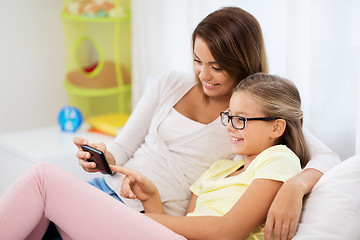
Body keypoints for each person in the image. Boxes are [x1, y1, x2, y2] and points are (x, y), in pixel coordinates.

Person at [71, 6, 339, 239]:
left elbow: (327, 157)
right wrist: (103, 156)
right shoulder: (171, 83)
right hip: (110, 188)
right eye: (198, 61)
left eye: (217, 67)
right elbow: (123, 147)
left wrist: (294, 186)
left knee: (44, 187)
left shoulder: (254, 113)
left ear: (242, 63)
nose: (203, 74)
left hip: (149, 214)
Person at [1, 73, 310, 239]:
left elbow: (226, 231)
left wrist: (149, 220)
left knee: (44, 180)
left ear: (277, 127)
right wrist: (151, 199)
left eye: (241, 120)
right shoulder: (219, 168)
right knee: (42, 214)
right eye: (229, 117)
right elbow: (187, 222)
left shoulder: (279, 160)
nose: (231, 127)